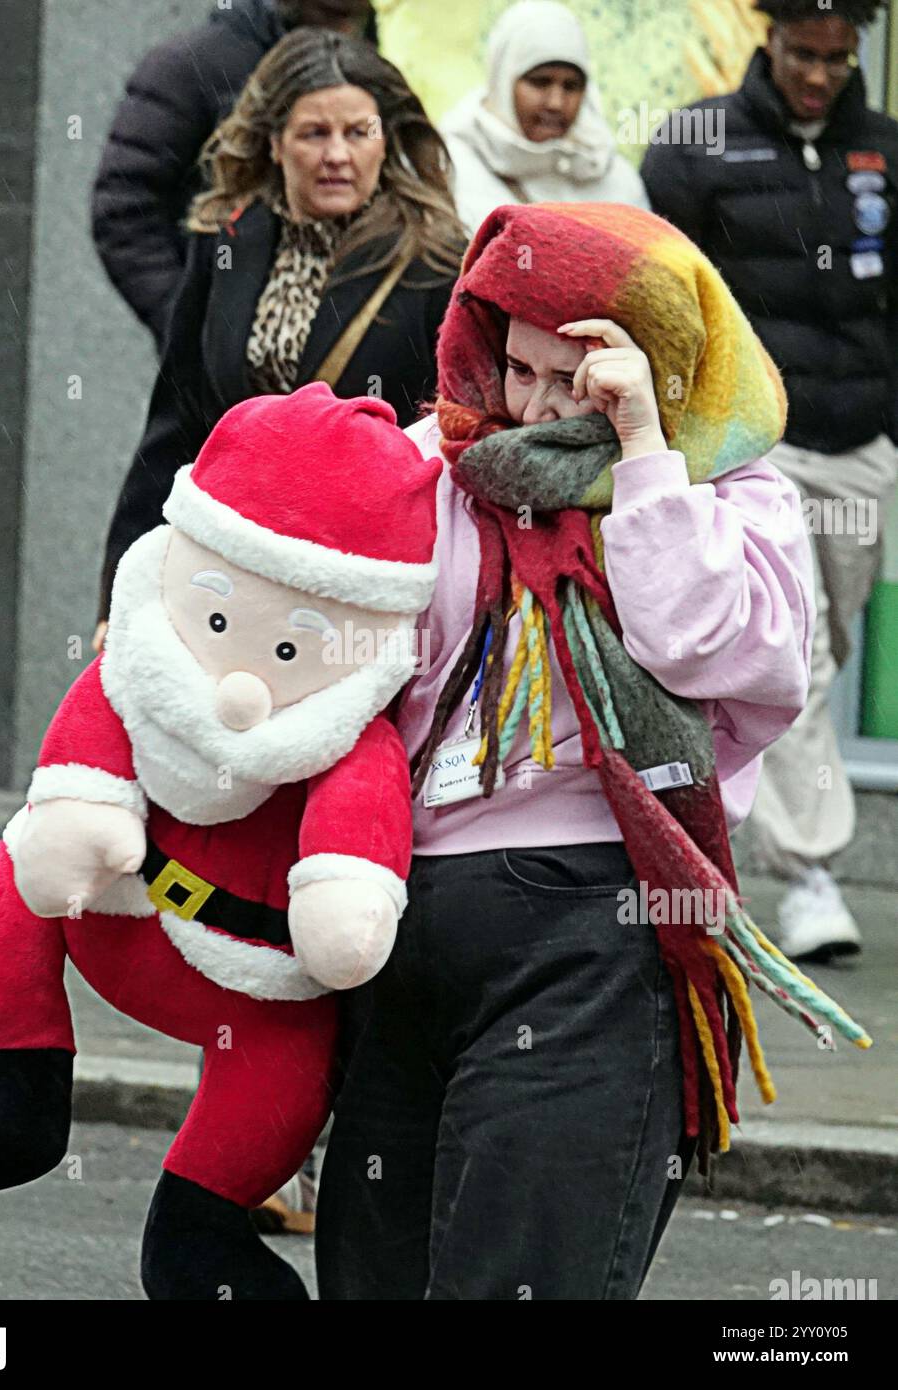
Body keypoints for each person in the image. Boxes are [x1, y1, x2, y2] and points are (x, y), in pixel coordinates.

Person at [313, 202, 870, 1301]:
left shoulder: (727, 488)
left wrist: (644, 457)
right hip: (397, 921)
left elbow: (718, 650)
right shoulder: (434, 463)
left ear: (659, 366)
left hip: (593, 925)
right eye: (519, 368)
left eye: (582, 376)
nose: (537, 406)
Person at [641, 0, 898, 964]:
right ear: (771, 42)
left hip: (862, 445)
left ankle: (733, 813)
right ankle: (813, 873)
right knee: (798, 649)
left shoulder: (885, 151)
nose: (821, 74)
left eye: (839, 58)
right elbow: (665, 298)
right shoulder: (693, 147)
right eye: (805, 54)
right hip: (756, 445)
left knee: (822, 634)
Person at [95, 26, 466, 636]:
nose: (337, 155)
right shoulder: (228, 246)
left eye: (358, 133)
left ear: (386, 141)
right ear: (273, 144)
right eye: (314, 134)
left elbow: (451, 442)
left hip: (361, 579)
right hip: (230, 564)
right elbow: (175, 426)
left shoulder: (434, 265)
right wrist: (119, 594)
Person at [91, 0, 376, 348]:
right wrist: (197, 333)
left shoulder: (385, 62)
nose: (336, 154)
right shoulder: (194, 65)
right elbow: (125, 211)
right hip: (236, 366)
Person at [439, 0, 648, 235]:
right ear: (504, 80)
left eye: (571, 86)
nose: (556, 103)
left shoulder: (609, 172)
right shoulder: (448, 168)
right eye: (540, 82)